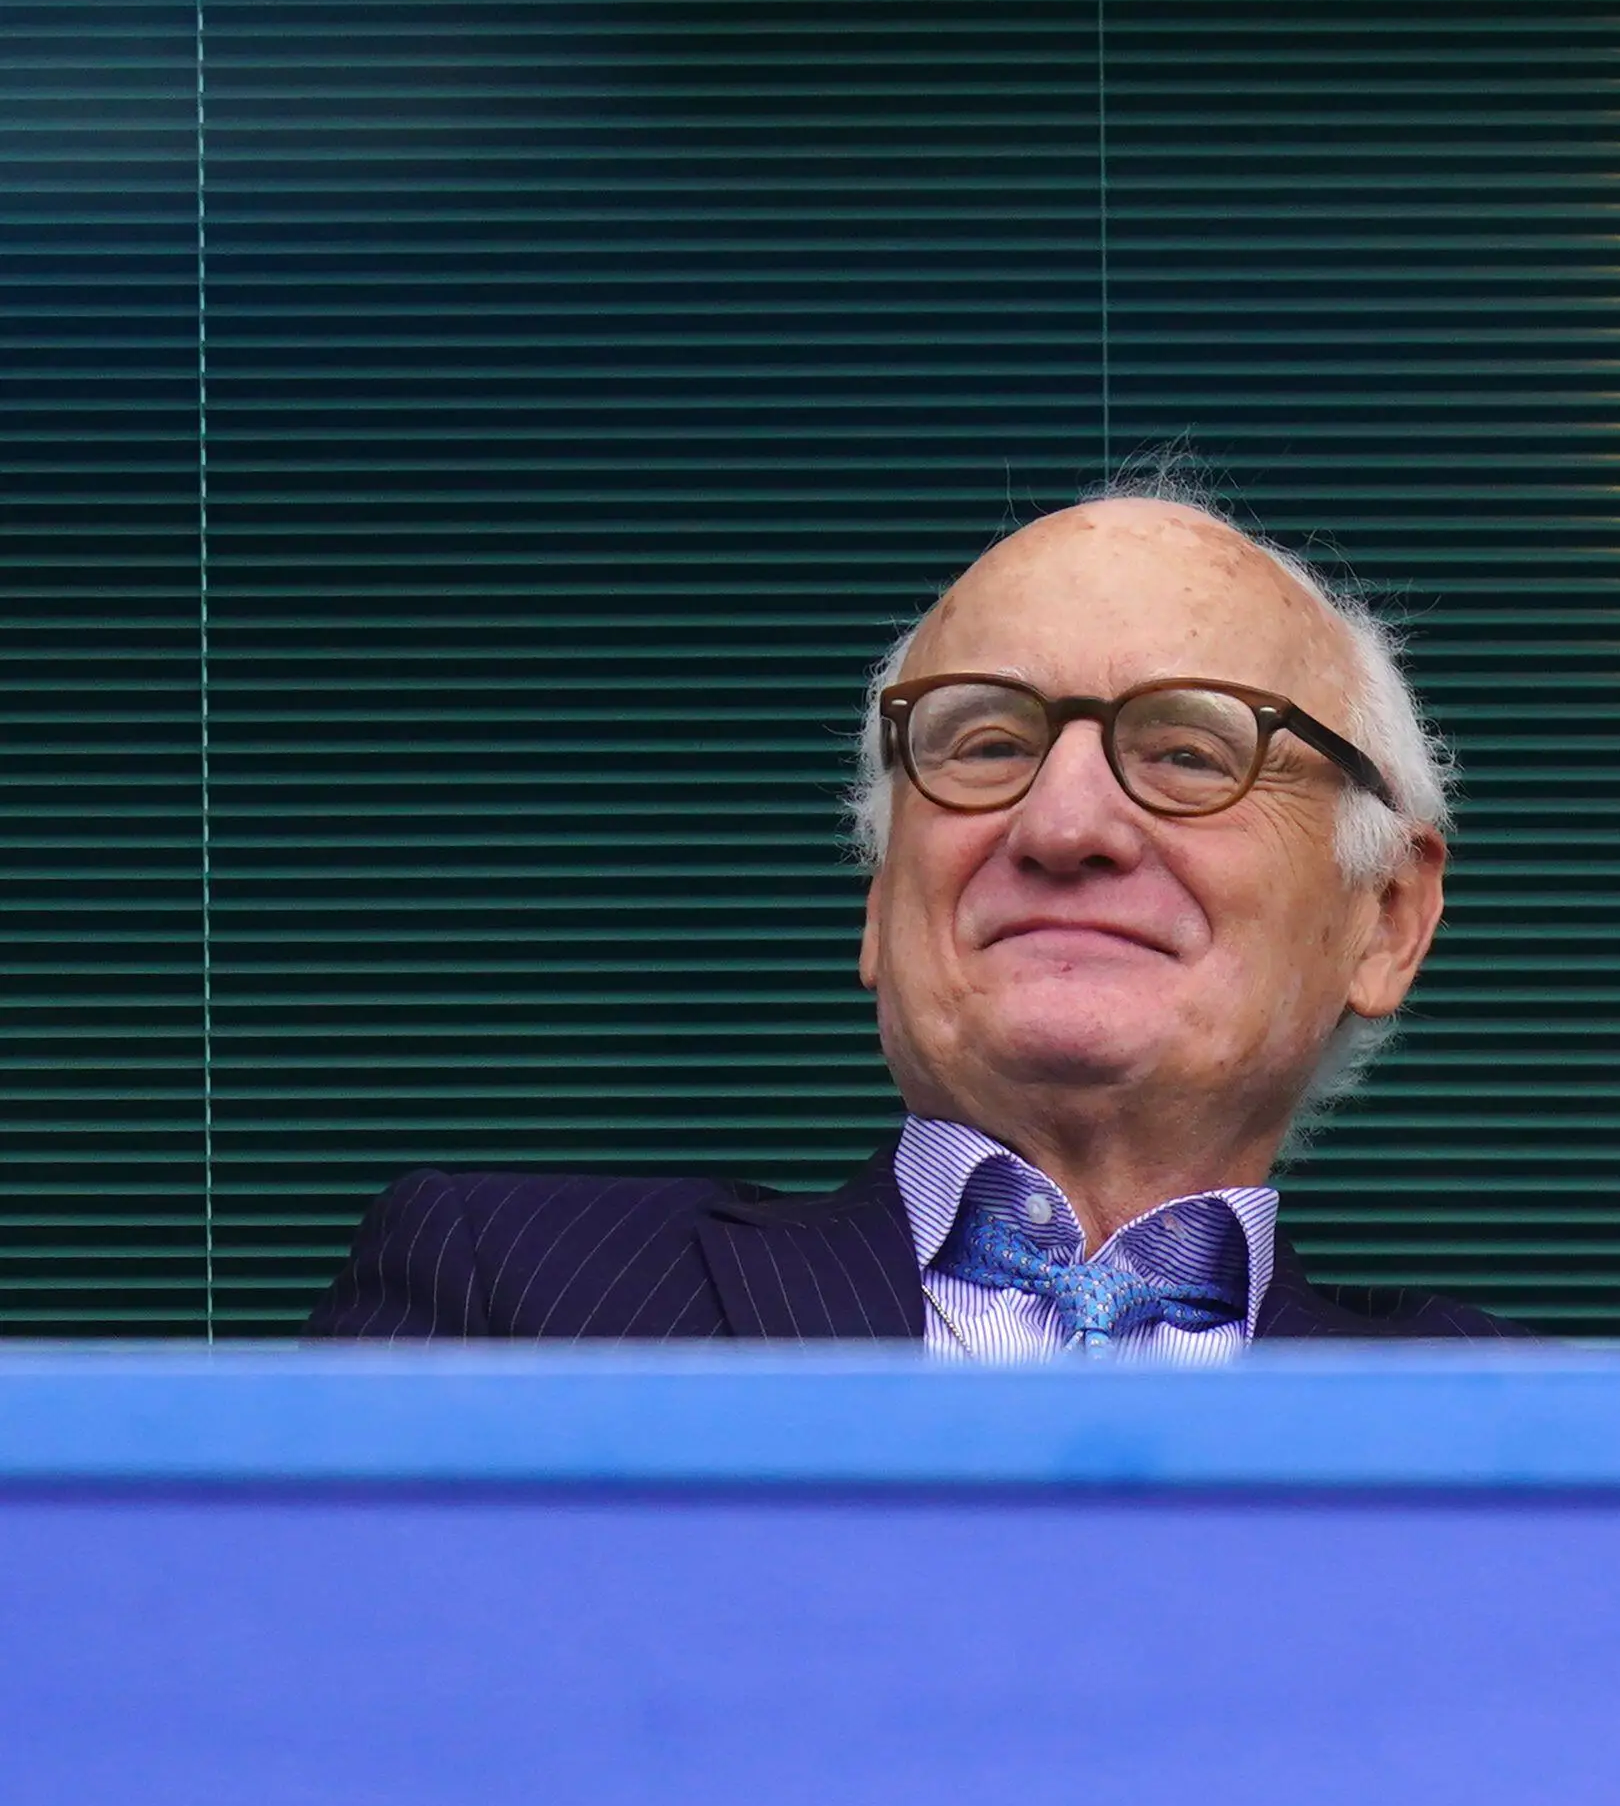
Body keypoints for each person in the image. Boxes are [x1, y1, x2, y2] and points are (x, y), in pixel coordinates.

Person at [312, 478, 1522, 1347]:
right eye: (986, 745)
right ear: (882, 894)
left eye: (1191, 753)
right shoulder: (522, 1302)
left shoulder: (1523, 1436)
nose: (1063, 826)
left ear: (1386, 919)